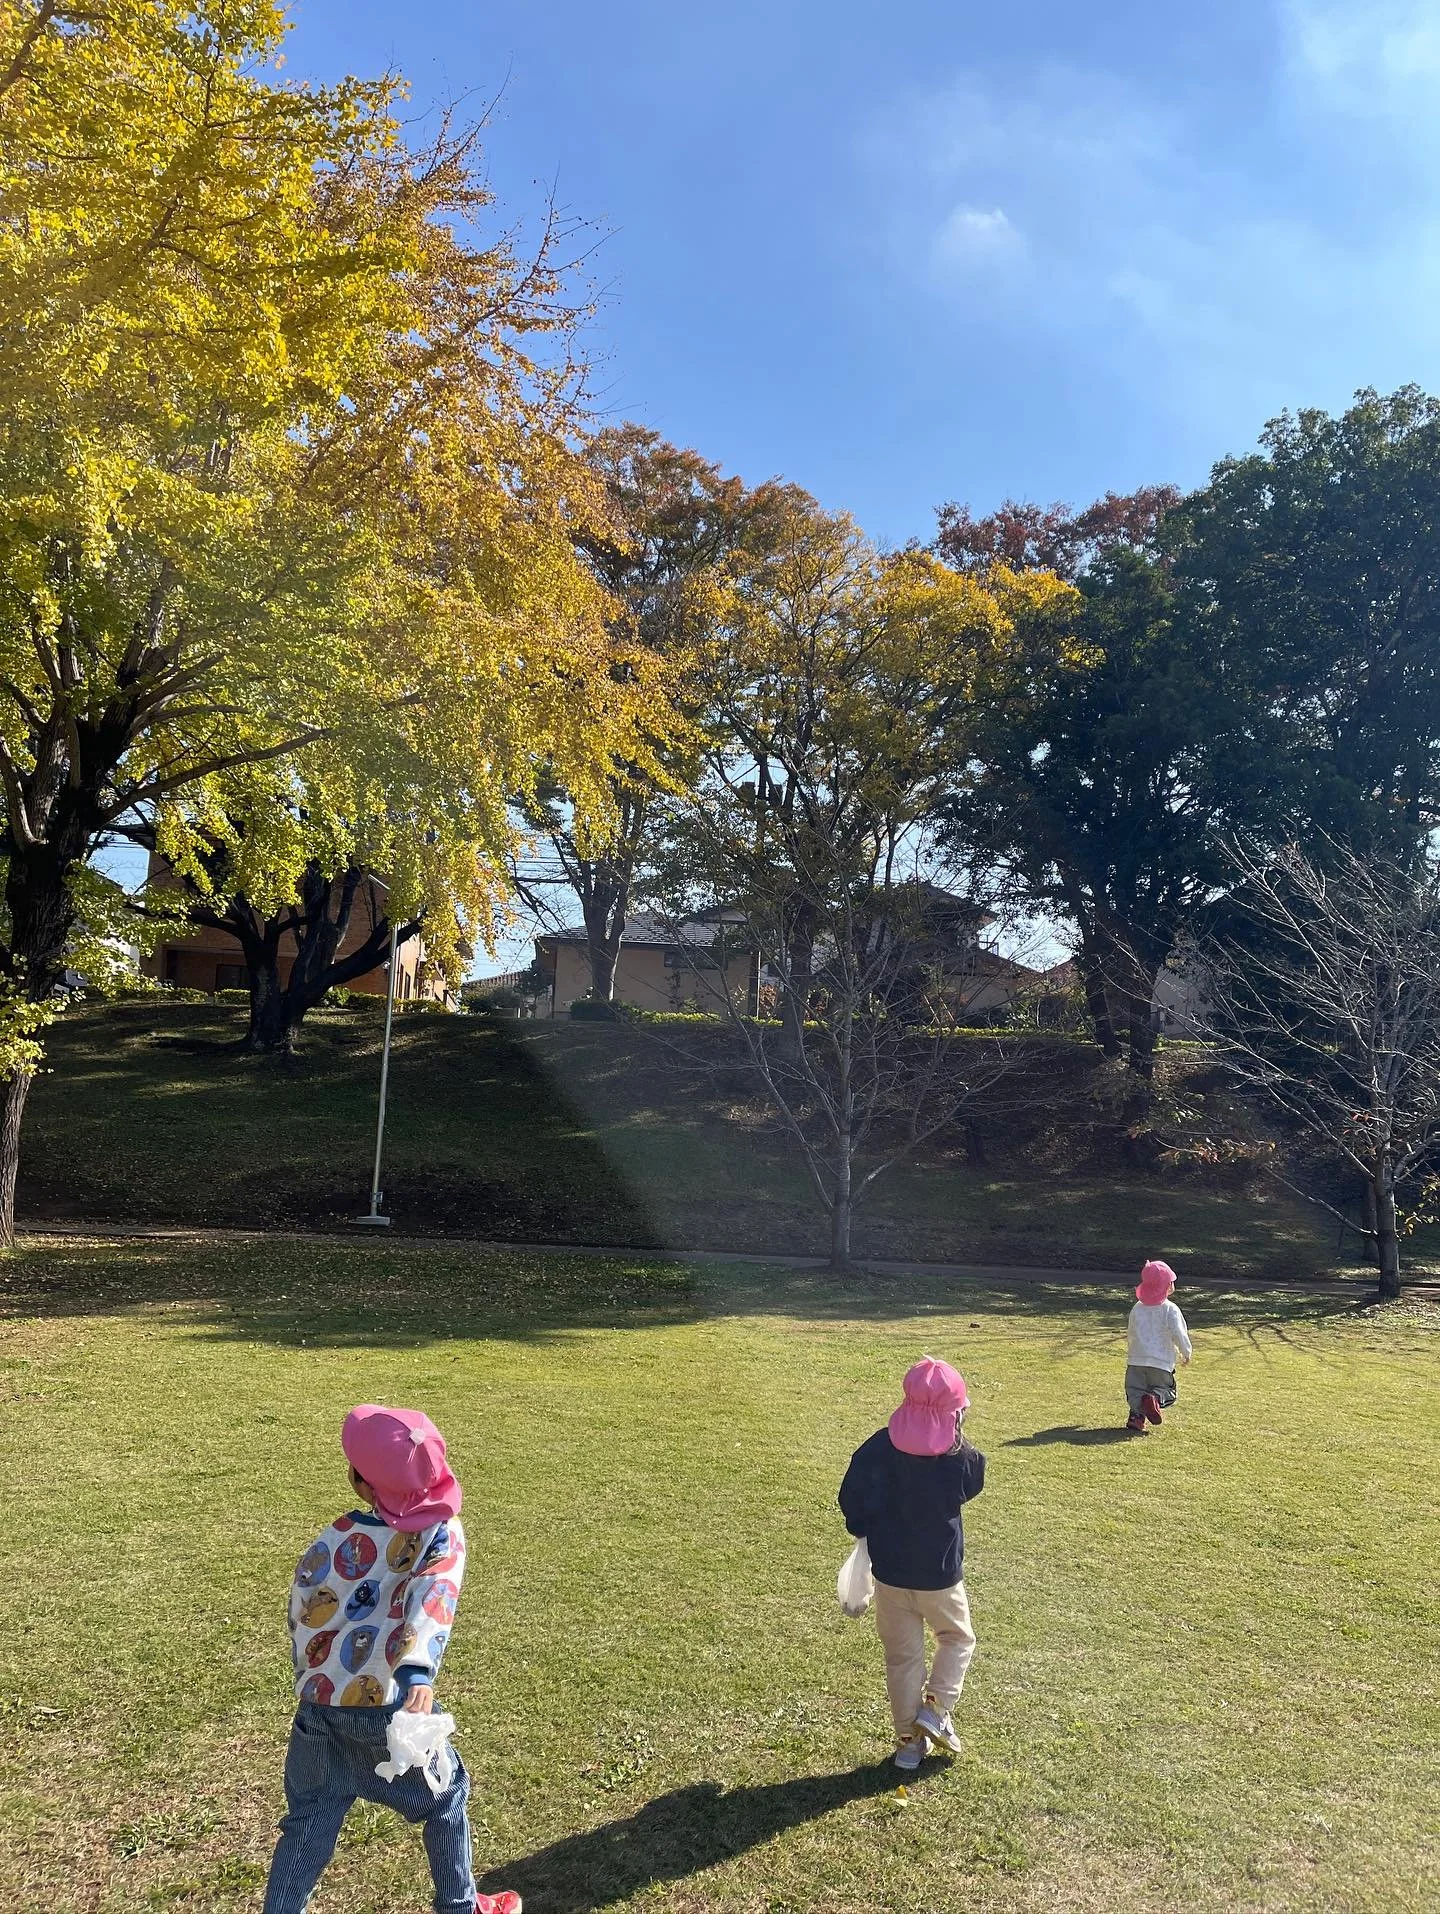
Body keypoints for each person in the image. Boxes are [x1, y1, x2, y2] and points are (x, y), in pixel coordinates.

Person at [262, 1404, 522, 1914]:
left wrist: (315, 1672)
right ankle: (460, 1906)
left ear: (361, 1484)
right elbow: (435, 1596)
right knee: (446, 1797)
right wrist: (416, 1669)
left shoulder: (337, 1534)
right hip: (388, 1707)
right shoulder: (440, 1533)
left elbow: (304, 1602)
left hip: (320, 1705)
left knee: (309, 1819)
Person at [838, 1357, 985, 1772]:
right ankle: (935, 1709)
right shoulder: (961, 1457)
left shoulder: (877, 1448)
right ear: (955, 1413)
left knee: (902, 1659)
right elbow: (973, 1483)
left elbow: (850, 1498)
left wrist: (864, 1526)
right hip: (940, 1576)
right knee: (956, 1638)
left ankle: (908, 1744)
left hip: (890, 1574)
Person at [1124, 1259, 1193, 1435]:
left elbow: (1131, 1331)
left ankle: (1136, 1417)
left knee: (1135, 1391)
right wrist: (1186, 1352)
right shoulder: (1170, 1309)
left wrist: (1133, 1351)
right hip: (1160, 1362)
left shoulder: (1137, 1308)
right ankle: (1155, 1399)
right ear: (1168, 1286)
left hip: (1136, 1360)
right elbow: (1178, 1333)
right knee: (1166, 1390)